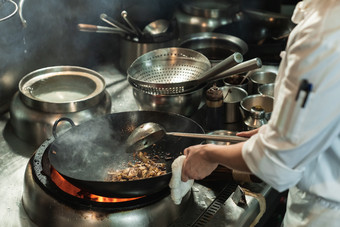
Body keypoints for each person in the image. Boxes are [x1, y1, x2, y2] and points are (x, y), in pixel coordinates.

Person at [181, 0, 340, 226]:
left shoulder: (321, 37)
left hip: (324, 214)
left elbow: (278, 160)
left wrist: (209, 154)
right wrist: (278, 130)